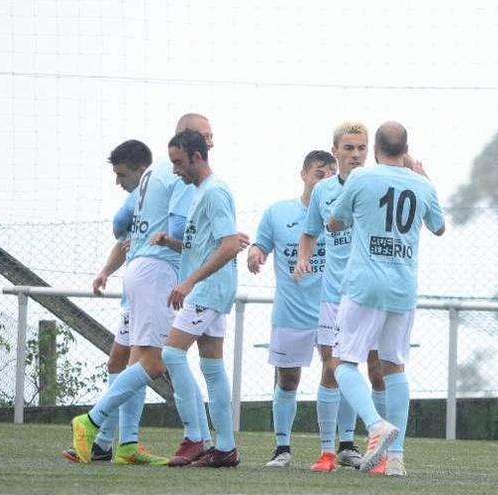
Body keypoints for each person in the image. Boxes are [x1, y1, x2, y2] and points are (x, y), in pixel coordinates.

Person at [70, 124, 197, 465]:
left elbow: (119, 223)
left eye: (120, 174)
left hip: (140, 273)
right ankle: (93, 423)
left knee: (128, 359)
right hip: (155, 274)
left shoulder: (146, 182)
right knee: (153, 362)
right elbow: (178, 230)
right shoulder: (176, 180)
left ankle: (120, 444)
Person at [327, 121, 445, 477]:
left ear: (375, 148)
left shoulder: (362, 178)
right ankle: (396, 459)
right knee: (395, 367)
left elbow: (335, 222)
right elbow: (439, 227)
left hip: (364, 286)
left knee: (342, 362)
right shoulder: (423, 185)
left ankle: (375, 424)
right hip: (403, 288)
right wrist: (425, 177)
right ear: (405, 151)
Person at [293, 122, 387, 472]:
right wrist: (304, 259)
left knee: (377, 370)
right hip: (333, 296)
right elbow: (309, 234)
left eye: (361, 148)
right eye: (348, 148)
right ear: (336, 151)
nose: (355, 154)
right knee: (332, 368)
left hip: (370, 293)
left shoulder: (378, 185)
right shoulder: (323, 191)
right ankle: (328, 452)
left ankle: (378, 452)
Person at [154, 129, 244, 467]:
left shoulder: (215, 191)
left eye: (179, 162)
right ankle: (224, 448)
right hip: (211, 288)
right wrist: (170, 244)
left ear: (197, 156)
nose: (176, 170)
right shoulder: (201, 191)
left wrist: (188, 282)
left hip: (208, 290)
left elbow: (229, 244)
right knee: (211, 365)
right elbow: (204, 245)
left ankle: (195, 437)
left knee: (171, 354)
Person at [61, 140, 149, 463]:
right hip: (136, 296)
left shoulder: (162, 195)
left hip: (156, 294)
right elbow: (123, 239)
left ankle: (114, 441)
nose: (118, 182)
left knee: (141, 363)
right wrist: (105, 272)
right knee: (126, 363)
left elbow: (121, 226)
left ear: (142, 170)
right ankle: (109, 443)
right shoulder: (137, 203)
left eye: (122, 174)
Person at [246, 150, 335, 467]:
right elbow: (261, 244)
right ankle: (282, 449)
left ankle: (338, 447)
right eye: (318, 173)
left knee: (337, 372)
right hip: (291, 312)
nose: (324, 180)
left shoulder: (342, 214)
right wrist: (255, 253)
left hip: (332, 311)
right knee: (287, 381)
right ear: (304, 175)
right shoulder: (278, 212)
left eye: (330, 174)